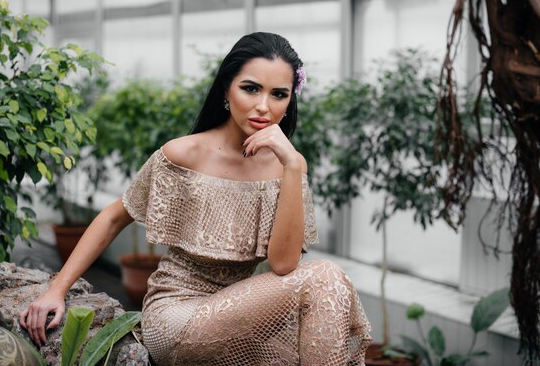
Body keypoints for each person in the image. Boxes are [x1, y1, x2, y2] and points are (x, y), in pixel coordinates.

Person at [20, 32, 372, 365]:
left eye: (278, 94)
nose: (264, 106)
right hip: (177, 317)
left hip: (241, 315)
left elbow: (282, 265)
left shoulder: (288, 166)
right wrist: (57, 289)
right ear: (226, 91)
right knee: (326, 275)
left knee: (308, 328)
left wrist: (293, 165)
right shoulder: (184, 153)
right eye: (251, 89)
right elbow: (114, 216)